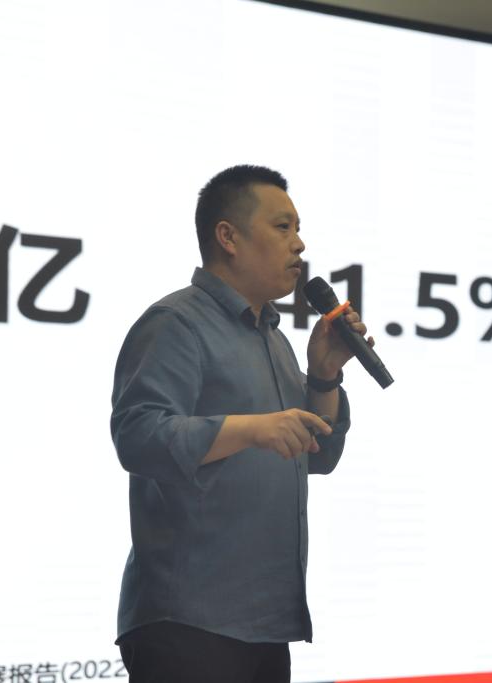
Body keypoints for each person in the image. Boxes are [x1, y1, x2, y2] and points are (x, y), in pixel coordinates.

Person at [110, 165, 373, 683]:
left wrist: (323, 376)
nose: (299, 244)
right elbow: (138, 436)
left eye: (299, 229)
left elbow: (317, 455)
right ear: (228, 237)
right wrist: (251, 428)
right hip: (188, 623)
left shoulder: (274, 339)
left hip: (266, 624)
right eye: (283, 227)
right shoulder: (176, 323)